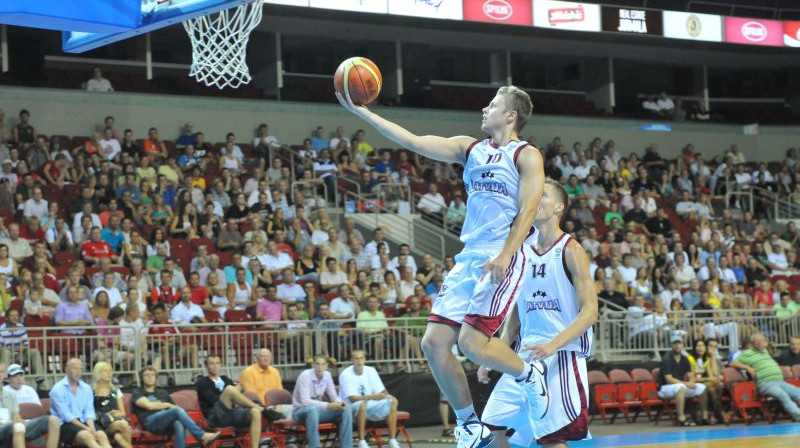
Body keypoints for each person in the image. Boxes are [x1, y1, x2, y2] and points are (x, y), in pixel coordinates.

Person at [338, 84, 546, 448]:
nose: (485, 108)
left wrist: (506, 254)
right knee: (433, 343)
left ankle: (530, 374)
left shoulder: (527, 156)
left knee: (471, 343)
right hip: (469, 256)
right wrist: (364, 113)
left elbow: (528, 210)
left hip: (503, 251)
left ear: (511, 115)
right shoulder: (471, 148)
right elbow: (415, 141)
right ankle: (470, 425)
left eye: (493, 105)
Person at [478, 179, 597, 447]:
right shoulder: (520, 251)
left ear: (558, 207)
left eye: (542, 195)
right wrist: (493, 354)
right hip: (524, 358)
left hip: (560, 356)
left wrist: (551, 345)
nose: (534, 199)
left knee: (551, 439)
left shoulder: (572, 250)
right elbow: (517, 313)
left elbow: (590, 312)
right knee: (492, 426)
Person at [132, 366, 219, 448]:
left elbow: (174, 407)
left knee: (178, 423)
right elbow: (149, 406)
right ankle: (201, 435)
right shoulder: (138, 391)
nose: (150, 377)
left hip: (165, 423)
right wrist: (167, 405)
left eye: (152, 375)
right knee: (176, 411)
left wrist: (169, 407)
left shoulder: (163, 392)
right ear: (142, 378)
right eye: (147, 375)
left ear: (155, 378)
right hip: (150, 422)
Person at [196, 355, 273, 448]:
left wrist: (235, 390)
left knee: (255, 412)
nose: (215, 366)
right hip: (215, 417)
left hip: (231, 414)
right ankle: (261, 408)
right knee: (229, 389)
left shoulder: (225, 378)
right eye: (211, 363)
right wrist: (230, 392)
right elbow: (214, 400)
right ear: (206, 366)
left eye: (217, 363)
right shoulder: (202, 382)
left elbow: (240, 389)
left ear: (221, 365)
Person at [730, 333, 800, 422]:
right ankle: (798, 415)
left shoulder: (765, 351)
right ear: (752, 344)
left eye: (762, 341)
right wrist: (747, 367)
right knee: (783, 395)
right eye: (758, 342)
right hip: (765, 384)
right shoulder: (747, 353)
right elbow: (733, 363)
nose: (761, 343)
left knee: (798, 392)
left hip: (779, 382)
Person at [339, 350, 401, 448]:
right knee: (363, 405)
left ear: (365, 360)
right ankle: (362, 441)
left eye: (361, 358)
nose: (359, 361)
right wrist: (370, 397)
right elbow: (352, 399)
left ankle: (392, 440)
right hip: (349, 406)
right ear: (352, 360)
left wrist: (387, 396)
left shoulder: (371, 370)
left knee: (391, 402)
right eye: (356, 358)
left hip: (369, 402)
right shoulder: (346, 374)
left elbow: (382, 391)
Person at [49, 358, 113, 448]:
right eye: (75, 368)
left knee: (101, 435)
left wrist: (92, 427)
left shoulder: (86, 388)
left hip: (84, 421)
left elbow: (89, 411)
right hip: (65, 425)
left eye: (80, 369)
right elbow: (66, 416)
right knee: (88, 436)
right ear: (66, 369)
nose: (78, 372)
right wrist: (86, 428)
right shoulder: (57, 390)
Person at [292, 355, 353, 448]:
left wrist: (342, 404)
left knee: (346, 409)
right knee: (312, 410)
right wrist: (327, 405)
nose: (320, 367)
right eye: (317, 364)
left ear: (327, 365)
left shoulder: (327, 375)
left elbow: (334, 397)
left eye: (323, 364)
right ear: (313, 365)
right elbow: (305, 401)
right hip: (300, 411)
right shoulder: (305, 376)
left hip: (318, 411)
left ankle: (346, 446)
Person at [0, 362, 60, 448]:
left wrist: (18, 420)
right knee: (18, 427)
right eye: (15, 376)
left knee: (53, 420)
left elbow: (15, 416)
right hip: (4, 428)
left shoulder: (10, 395)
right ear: (9, 378)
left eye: (1, 371)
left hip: (12, 426)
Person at [657, 336, 709, 426]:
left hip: (680, 385)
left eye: (679, 343)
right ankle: (681, 418)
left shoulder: (685, 359)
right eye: (675, 343)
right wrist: (686, 383)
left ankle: (704, 417)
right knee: (680, 388)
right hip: (665, 388)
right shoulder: (666, 359)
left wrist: (692, 382)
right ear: (671, 345)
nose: (677, 346)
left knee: (702, 387)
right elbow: (669, 379)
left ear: (683, 345)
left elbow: (691, 374)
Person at [91, 362, 132, 448]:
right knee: (119, 438)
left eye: (110, 371)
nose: (109, 373)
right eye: (105, 371)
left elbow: (122, 413)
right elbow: (87, 412)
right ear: (98, 373)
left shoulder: (116, 390)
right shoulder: (89, 391)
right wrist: (104, 415)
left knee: (123, 426)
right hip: (97, 423)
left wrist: (115, 414)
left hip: (112, 423)